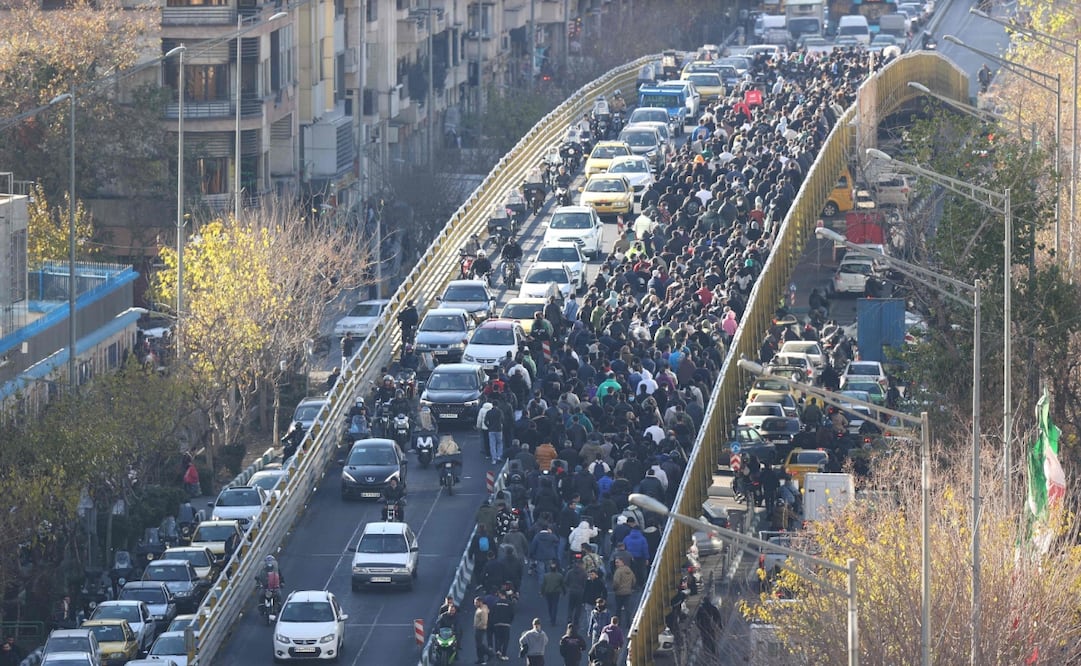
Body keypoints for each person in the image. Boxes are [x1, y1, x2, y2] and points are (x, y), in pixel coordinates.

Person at [541, 561, 565, 625]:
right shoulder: (560, 576)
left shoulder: (546, 576)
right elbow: (562, 585)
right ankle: (553, 619)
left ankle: (551, 617)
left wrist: (542, 592)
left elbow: (543, 585)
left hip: (548, 592)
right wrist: (564, 592)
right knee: (555, 606)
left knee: (550, 606)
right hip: (556, 592)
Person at [474, 596, 495, 664]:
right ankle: (480, 658)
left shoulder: (483, 610)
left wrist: (477, 626)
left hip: (480, 629)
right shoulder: (480, 608)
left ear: (480, 602)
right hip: (479, 628)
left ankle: (489, 654)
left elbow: (484, 621)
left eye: (476, 603)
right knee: (478, 645)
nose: (475, 604)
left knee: (479, 645)